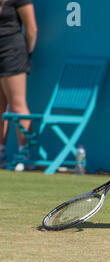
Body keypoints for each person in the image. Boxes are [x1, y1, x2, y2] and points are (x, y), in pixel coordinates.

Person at [0, 0, 37, 168]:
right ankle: (1, 152)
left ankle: (24, 154)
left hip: (13, 53)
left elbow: (31, 29)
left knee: (17, 105)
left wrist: (26, 55)